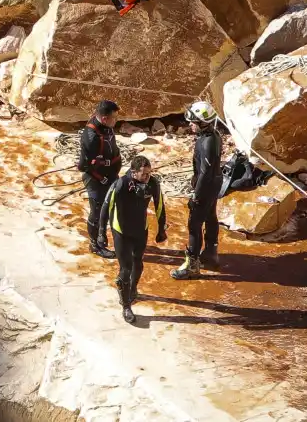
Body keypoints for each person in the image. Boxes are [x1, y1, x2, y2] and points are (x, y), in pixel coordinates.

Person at [97, 155, 167, 323]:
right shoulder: (121, 184)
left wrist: (161, 229)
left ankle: (132, 289)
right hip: (121, 230)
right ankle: (126, 306)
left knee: (138, 262)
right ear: (134, 172)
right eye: (144, 174)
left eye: (149, 173)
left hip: (140, 230)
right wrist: (101, 232)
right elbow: (106, 207)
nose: (147, 177)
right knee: (125, 269)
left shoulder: (152, 183)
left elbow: (159, 205)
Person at [172, 101, 223, 279]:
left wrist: (196, 195)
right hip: (214, 182)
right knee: (210, 216)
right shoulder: (211, 135)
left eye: (193, 121)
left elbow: (205, 173)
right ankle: (210, 253)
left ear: (203, 123)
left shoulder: (208, 141)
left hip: (207, 185)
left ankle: (192, 264)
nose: (190, 124)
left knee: (194, 223)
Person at [78, 100, 122, 258]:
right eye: (114, 118)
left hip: (111, 175)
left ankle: (106, 239)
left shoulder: (107, 127)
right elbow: (83, 166)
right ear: (104, 119)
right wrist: (101, 178)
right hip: (96, 180)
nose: (116, 121)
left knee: (113, 208)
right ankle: (95, 245)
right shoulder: (91, 136)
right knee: (97, 212)